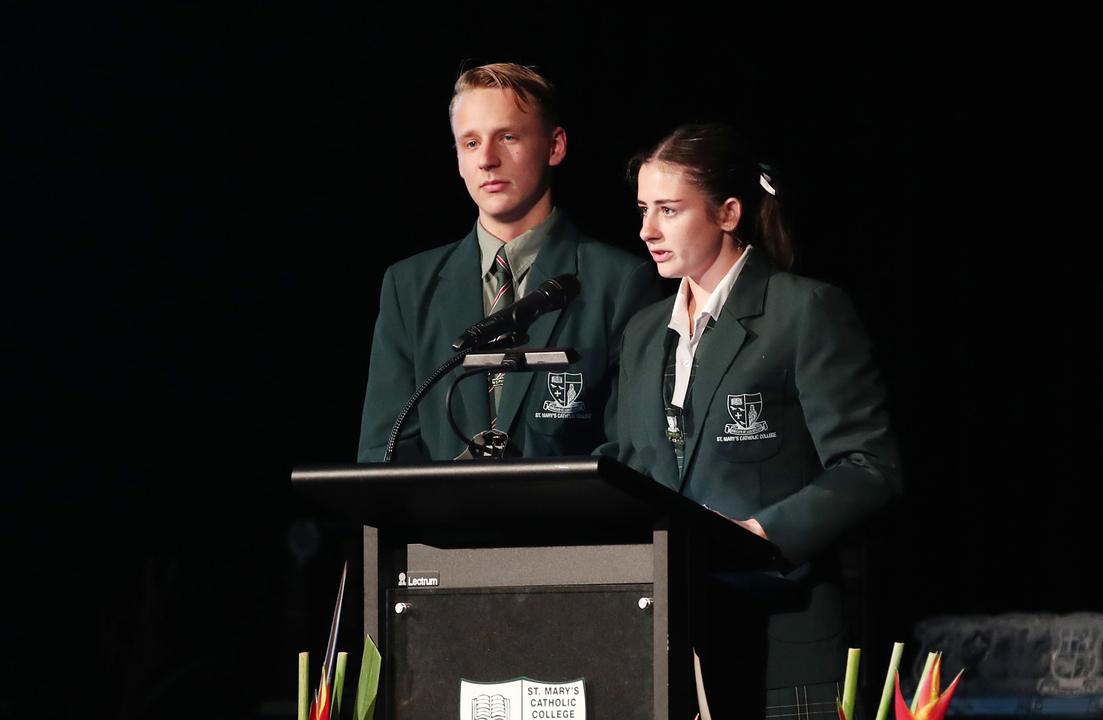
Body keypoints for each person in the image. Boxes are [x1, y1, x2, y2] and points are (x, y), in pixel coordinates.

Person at [603, 123, 902, 717]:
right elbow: (628, 466)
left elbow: (870, 467)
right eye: (643, 209)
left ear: (728, 212)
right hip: (671, 649)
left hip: (782, 641)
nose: (647, 231)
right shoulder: (642, 334)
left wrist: (761, 535)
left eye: (669, 209)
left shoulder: (805, 311)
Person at [357, 63, 663, 462]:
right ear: (458, 161)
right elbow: (385, 450)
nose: (487, 159)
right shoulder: (409, 286)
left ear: (555, 146)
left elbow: (631, 450)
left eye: (508, 137)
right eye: (470, 143)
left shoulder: (620, 282)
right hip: (445, 524)